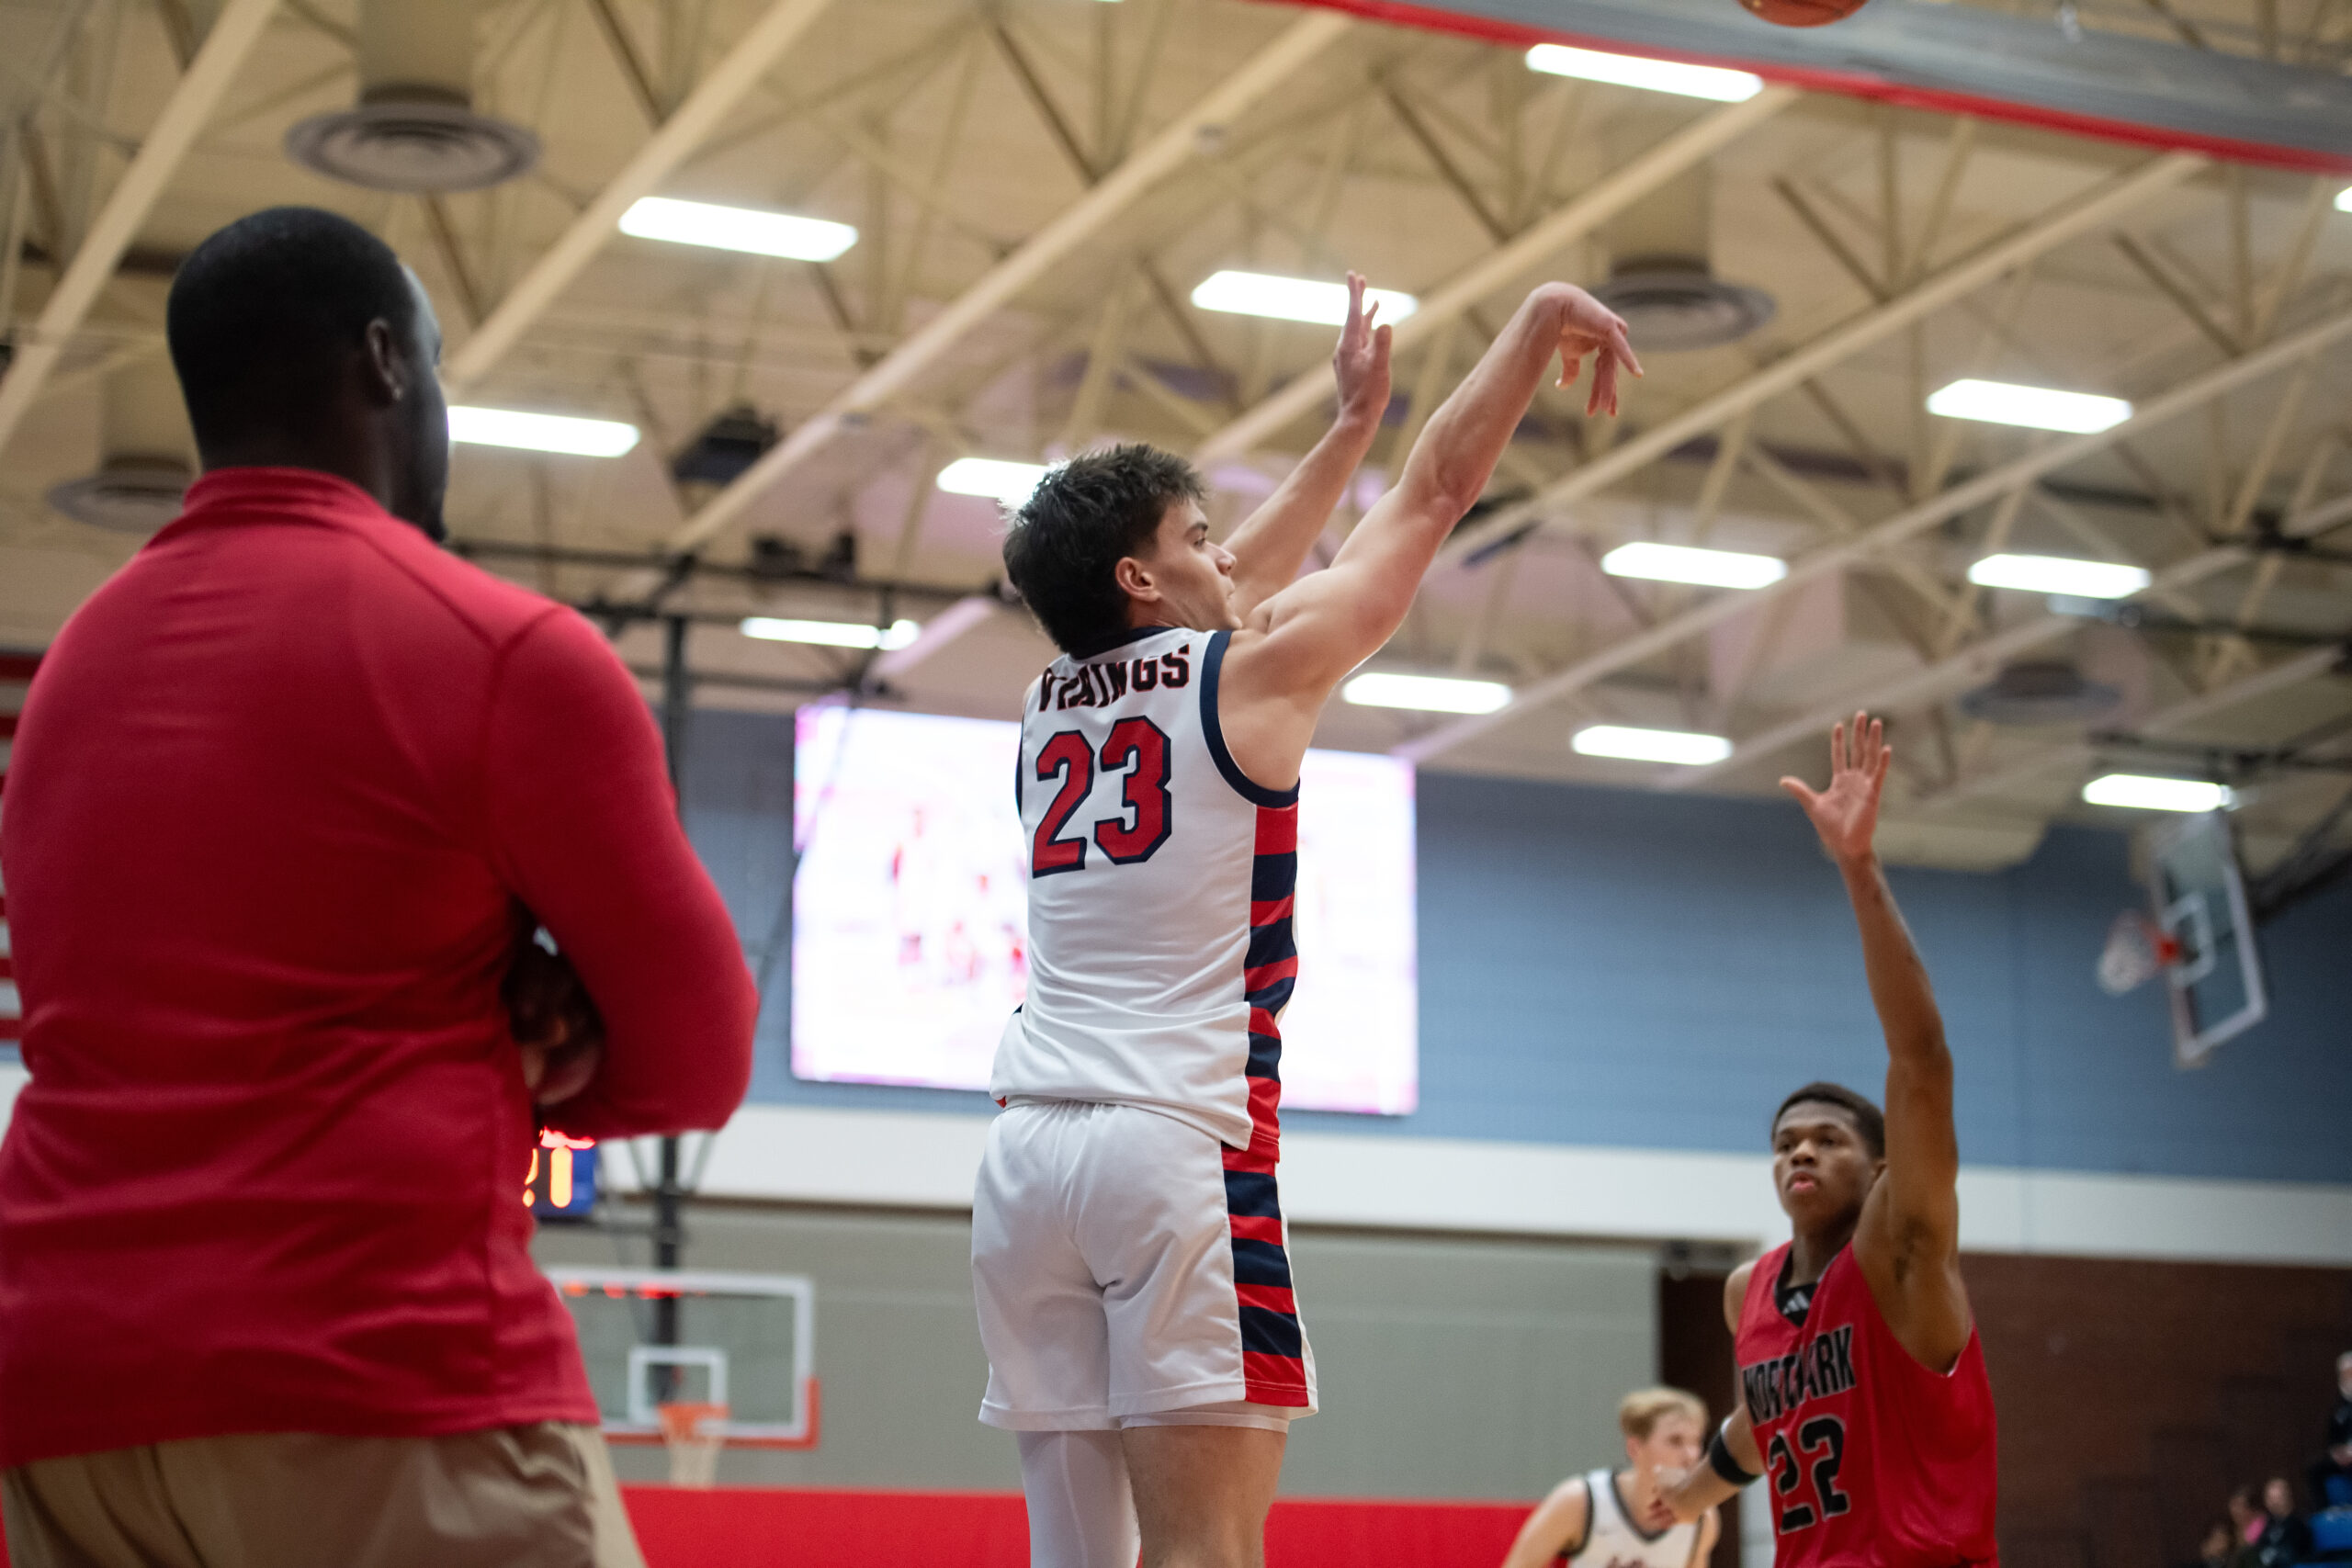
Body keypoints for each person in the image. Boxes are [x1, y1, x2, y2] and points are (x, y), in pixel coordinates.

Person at [0, 207, 757, 1567]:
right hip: (377, 1377)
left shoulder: (73, 673)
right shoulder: (499, 648)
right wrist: (547, 1046)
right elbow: (700, 1055)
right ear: (384, 362)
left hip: (61, 1398)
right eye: (438, 359)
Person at [973, 275, 1638, 1568]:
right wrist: (1533, 317)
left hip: (1022, 1166)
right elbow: (1437, 492)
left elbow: (1223, 585)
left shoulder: (1050, 698)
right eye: (1197, 532)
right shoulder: (1256, 673)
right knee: (1206, 1550)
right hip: (1170, 1147)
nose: (1228, 550)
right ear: (1138, 572)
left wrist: (1346, 425)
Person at [1661, 715, 1998, 1568]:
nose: (1800, 1154)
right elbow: (1761, 1423)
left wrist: (1858, 866)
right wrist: (1689, 1494)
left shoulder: (1904, 1250)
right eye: (1785, 1143)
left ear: (1884, 1166)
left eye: (1826, 1139)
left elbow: (1922, 1061)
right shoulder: (1753, 1291)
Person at [1499, 1388, 1721, 1568]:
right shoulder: (1579, 1500)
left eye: (1696, 1441)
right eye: (1675, 1441)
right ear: (1635, 1448)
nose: (1691, 1455)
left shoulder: (1703, 1517)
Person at [2309, 1351, 2352, 1511]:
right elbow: (2332, 1437)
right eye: (2345, 1375)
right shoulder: (2339, 1407)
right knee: (2315, 1469)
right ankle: (2325, 1510)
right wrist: (2336, 1452)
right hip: (2344, 1458)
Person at [2253, 1477, 2313, 1568]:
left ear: (2288, 1497)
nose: (2274, 1503)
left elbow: (2295, 1553)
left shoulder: (2298, 1523)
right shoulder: (2270, 1522)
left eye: (2278, 1498)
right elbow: (2260, 1548)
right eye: (2271, 1499)